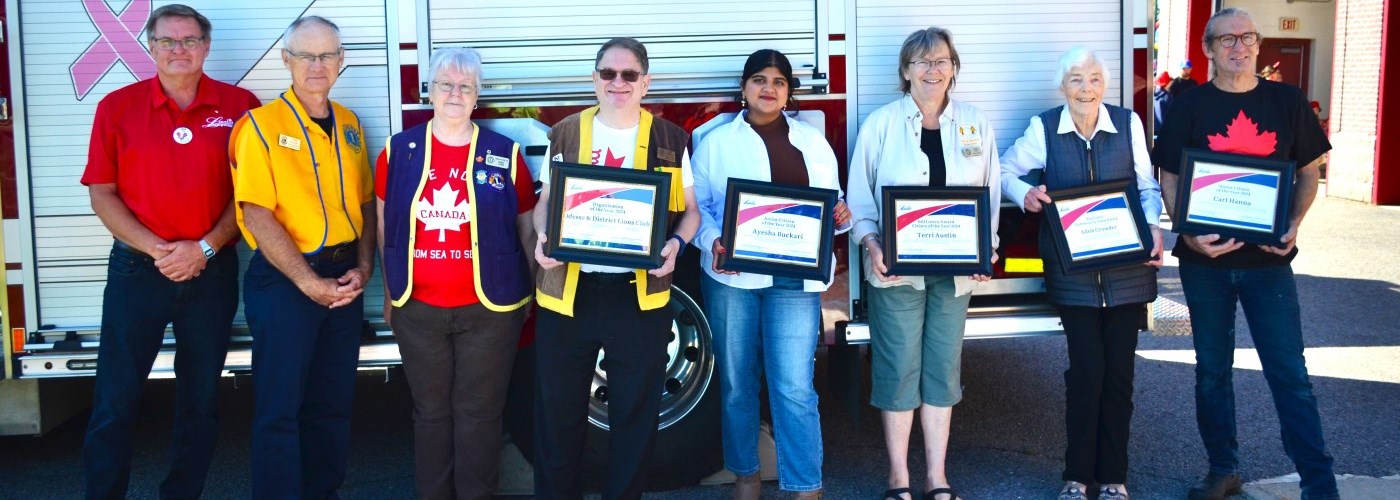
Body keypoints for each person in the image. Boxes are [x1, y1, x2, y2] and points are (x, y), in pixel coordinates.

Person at [1153, 8, 1339, 500]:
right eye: (1227, 39)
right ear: (1209, 49)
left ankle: (1319, 484)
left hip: (1268, 264)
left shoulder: (1287, 101)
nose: (1239, 46)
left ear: (1258, 44)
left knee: (1289, 373)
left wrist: (1294, 223)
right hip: (1205, 265)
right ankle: (1223, 469)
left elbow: (1308, 169)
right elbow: (1170, 175)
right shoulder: (1189, 105)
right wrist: (1189, 232)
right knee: (1212, 372)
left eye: (1247, 37)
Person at [79, 5, 261, 498]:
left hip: (211, 272)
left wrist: (204, 248)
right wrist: (160, 250)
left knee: (200, 401)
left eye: (189, 40)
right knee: (115, 399)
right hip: (137, 272)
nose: (179, 49)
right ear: (151, 47)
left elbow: (252, 195)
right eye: (167, 41)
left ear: (206, 46)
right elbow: (102, 193)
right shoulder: (117, 107)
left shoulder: (241, 105)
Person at [529, 37, 700, 500]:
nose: (617, 82)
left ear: (646, 83)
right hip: (568, 293)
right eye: (608, 73)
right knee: (558, 417)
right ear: (594, 79)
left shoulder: (669, 139)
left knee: (634, 419)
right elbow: (545, 203)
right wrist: (543, 236)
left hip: (638, 296)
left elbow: (691, 212)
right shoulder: (565, 132)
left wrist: (676, 244)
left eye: (629, 74)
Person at [999, 47, 1165, 500]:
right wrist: (1023, 193)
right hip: (1073, 274)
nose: (1086, 88)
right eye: (1075, 79)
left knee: (1120, 377)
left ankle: (1114, 477)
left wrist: (1153, 226)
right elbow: (1005, 169)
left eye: (1093, 78)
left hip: (1127, 270)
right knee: (1087, 373)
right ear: (1062, 87)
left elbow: (1147, 186)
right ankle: (1076, 476)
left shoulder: (1128, 124)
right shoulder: (1044, 127)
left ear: (1105, 84)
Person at [846, 27, 1000, 500]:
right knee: (897, 369)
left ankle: (937, 477)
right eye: (922, 62)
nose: (933, 70)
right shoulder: (881, 124)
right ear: (905, 71)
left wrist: (986, 248)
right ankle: (899, 478)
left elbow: (989, 193)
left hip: (955, 276)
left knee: (942, 371)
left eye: (941, 61)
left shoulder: (975, 123)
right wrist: (873, 246)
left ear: (954, 68)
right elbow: (860, 197)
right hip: (895, 271)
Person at [375, 47, 537, 500]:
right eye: (445, 84)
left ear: (477, 95)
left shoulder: (504, 154)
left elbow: (526, 228)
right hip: (418, 308)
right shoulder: (397, 152)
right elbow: (385, 227)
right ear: (430, 91)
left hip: (490, 311)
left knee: (479, 415)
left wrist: (532, 293)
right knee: (430, 414)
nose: (455, 93)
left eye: (466, 86)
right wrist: (390, 292)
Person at [691, 49, 850, 500]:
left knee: (794, 385)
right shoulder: (716, 142)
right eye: (759, 79)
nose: (769, 88)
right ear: (743, 88)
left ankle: (806, 486)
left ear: (788, 92)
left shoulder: (812, 142)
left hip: (793, 281)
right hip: (733, 280)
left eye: (779, 81)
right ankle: (746, 475)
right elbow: (697, 208)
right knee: (737, 384)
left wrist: (841, 214)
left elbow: (831, 201)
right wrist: (712, 240)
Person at [229, 16, 376, 498]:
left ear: (341, 61)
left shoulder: (349, 124)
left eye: (327, 55)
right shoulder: (260, 126)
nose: (317, 65)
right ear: (285, 60)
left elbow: (365, 203)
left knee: (332, 404)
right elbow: (255, 213)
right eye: (306, 55)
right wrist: (307, 282)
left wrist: (365, 267)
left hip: (344, 279)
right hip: (285, 280)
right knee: (280, 408)